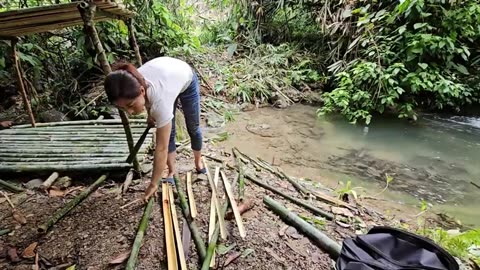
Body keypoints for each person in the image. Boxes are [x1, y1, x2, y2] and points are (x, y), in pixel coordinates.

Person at [104, 57, 205, 201]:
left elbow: (161, 148)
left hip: (185, 78)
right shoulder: (130, 81)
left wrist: (153, 184)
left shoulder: (160, 100)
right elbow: (147, 99)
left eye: (131, 105)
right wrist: (150, 115)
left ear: (141, 90)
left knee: (193, 127)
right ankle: (171, 171)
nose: (130, 112)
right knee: (169, 133)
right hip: (167, 80)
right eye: (123, 108)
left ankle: (198, 161)